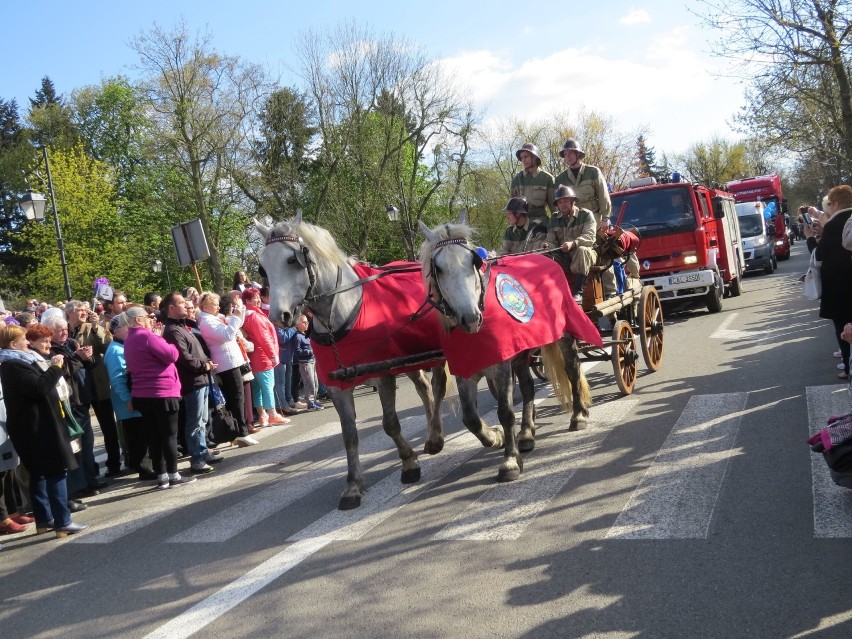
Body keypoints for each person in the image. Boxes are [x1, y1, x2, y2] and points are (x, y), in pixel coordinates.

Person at [0, 325, 88, 538]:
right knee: (56, 471)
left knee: (39, 475)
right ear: (13, 344)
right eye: (23, 340)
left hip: (37, 426)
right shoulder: (13, 364)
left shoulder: (22, 361)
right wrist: (55, 368)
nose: (27, 343)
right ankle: (62, 521)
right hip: (37, 428)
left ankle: (45, 519)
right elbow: (38, 388)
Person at [123, 305, 196, 489]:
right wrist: (162, 338)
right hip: (161, 391)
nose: (152, 319)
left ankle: (162, 476)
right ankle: (174, 475)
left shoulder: (129, 339)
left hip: (143, 393)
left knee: (153, 436)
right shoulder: (147, 336)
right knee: (169, 435)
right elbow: (171, 354)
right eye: (148, 316)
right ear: (138, 319)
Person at [42, 314, 106, 498]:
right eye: (59, 330)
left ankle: (91, 479)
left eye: (65, 329)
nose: (64, 333)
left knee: (87, 444)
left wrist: (88, 356)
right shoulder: (51, 350)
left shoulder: (70, 343)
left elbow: (90, 366)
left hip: (84, 398)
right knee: (76, 447)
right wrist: (78, 358)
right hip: (70, 402)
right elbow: (64, 372)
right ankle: (80, 485)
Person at [161, 292, 222, 474]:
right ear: (171, 308)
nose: (186, 306)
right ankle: (196, 459)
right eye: (181, 303)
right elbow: (184, 357)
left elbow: (195, 351)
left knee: (203, 420)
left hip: (201, 378)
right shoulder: (172, 330)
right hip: (191, 381)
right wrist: (204, 365)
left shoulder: (183, 326)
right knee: (194, 422)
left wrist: (206, 363)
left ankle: (203, 452)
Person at [65, 300, 123, 477]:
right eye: (79, 310)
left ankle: (114, 464)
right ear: (69, 313)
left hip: (97, 383)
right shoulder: (64, 331)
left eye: (85, 310)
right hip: (77, 388)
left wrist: (97, 327)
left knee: (107, 426)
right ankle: (88, 470)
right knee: (84, 430)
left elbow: (106, 346)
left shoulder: (92, 327)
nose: (83, 313)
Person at [196, 292, 258, 447]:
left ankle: (237, 432)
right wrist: (236, 316)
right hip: (226, 364)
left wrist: (240, 308)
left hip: (231, 362)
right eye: (215, 304)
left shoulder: (213, 318)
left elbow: (237, 323)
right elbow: (228, 334)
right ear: (205, 306)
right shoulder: (206, 322)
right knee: (236, 398)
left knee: (238, 397)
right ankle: (241, 433)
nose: (218, 306)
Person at [104, 312, 155, 480]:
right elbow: (118, 379)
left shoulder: (123, 346)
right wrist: (128, 399)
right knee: (137, 436)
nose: (131, 329)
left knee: (143, 434)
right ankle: (144, 469)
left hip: (134, 399)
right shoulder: (115, 351)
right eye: (127, 326)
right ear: (117, 330)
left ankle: (147, 466)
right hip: (128, 403)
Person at [812, 185, 852, 379]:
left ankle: (848, 365)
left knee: (842, 327)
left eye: (829, 203)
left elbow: (820, 254)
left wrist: (812, 239)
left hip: (838, 284)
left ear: (836, 203)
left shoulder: (834, 224)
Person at [240, 288, 289, 426]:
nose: (258, 300)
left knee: (257, 388)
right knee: (267, 386)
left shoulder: (246, 314)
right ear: (247, 300)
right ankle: (272, 414)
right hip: (262, 356)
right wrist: (273, 355)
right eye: (255, 298)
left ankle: (262, 415)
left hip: (253, 356)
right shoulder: (254, 316)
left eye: (258, 297)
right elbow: (264, 337)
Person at [544, 185, 598, 303]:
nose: (563, 204)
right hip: (564, 257)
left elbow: (590, 237)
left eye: (566, 201)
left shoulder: (586, 215)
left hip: (586, 256)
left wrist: (573, 243)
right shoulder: (554, 219)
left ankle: (578, 293)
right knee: (546, 257)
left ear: (573, 201)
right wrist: (547, 246)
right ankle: (551, 292)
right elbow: (551, 240)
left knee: (582, 250)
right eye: (560, 202)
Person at [555, 138, 612, 226]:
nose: (567, 156)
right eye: (565, 154)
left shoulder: (593, 172)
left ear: (578, 154)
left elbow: (603, 196)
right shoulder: (560, 179)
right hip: (573, 224)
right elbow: (559, 204)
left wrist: (605, 218)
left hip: (594, 221)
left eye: (570, 153)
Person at [509, 142, 555, 225]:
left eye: (526, 157)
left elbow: (554, 208)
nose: (523, 160)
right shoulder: (516, 180)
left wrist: (556, 227)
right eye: (522, 157)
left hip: (541, 223)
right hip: (521, 222)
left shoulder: (547, 179)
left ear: (534, 158)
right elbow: (511, 208)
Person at [294, 315, 323, 411]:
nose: (306, 324)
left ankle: (314, 400)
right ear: (297, 325)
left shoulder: (305, 335)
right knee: (309, 383)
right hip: (305, 363)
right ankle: (310, 403)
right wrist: (309, 352)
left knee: (315, 382)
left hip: (312, 361)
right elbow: (297, 351)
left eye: (307, 322)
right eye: (304, 322)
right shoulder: (298, 337)